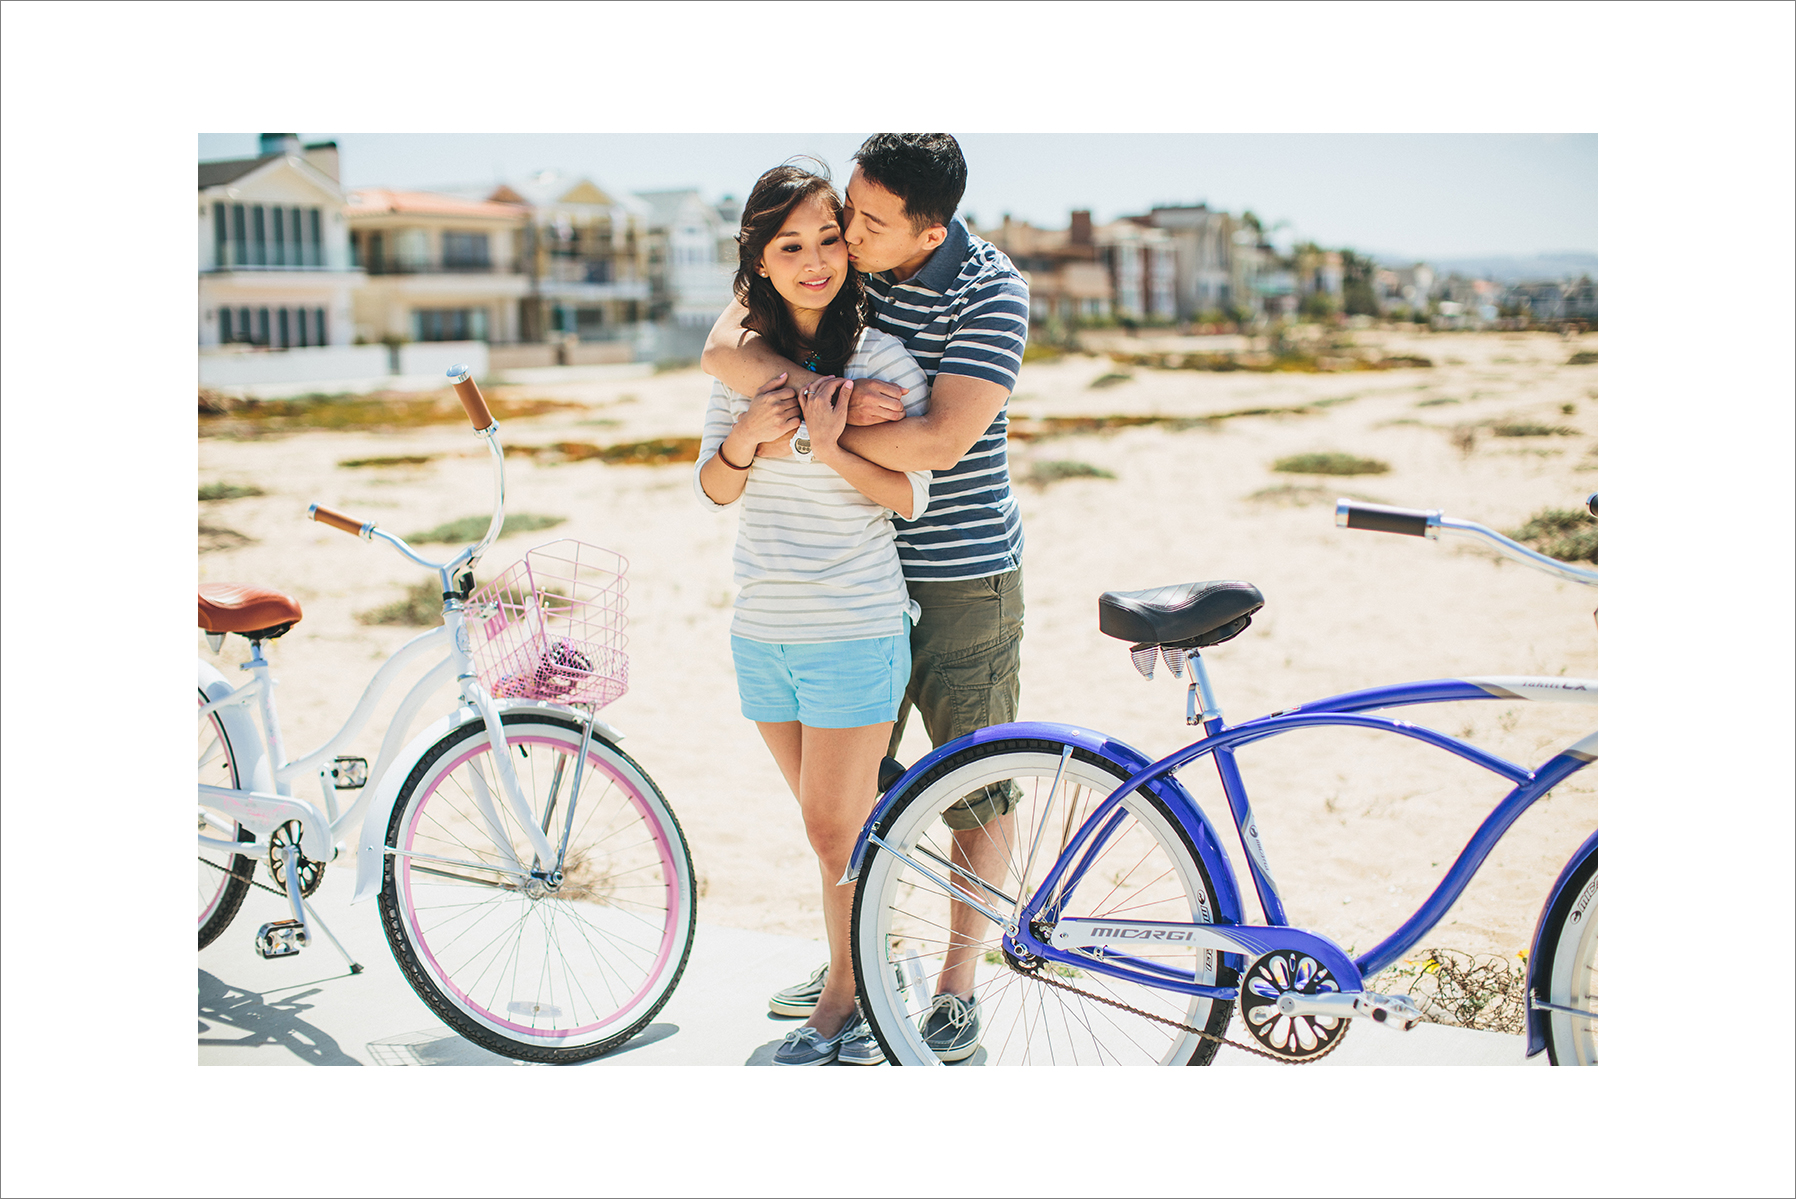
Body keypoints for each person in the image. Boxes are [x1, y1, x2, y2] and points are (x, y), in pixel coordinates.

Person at [703, 134, 1030, 1062]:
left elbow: (933, 448)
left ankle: (958, 983)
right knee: (842, 807)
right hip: (850, 580)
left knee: (973, 781)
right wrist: (823, 395)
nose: (843, 230)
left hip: (960, 570)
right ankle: (858, 952)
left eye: (868, 221)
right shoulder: (843, 259)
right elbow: (726, 344)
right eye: (847, 205)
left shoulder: (990, 291)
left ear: (929, 231)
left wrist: (822, 430)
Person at [694, 160, 932, 1066]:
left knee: (839, 825)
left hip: (854, 625)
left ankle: (855, 989)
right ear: (758, 257)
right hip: (762, 628)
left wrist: (830, 445)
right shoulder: (741, 364)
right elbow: (714, 489)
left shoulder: (880, 362)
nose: (815, 259)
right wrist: (749, 438)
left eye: (829, 238)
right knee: (827, 823)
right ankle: (869, 957)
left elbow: (907, 497)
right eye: (790, 244)